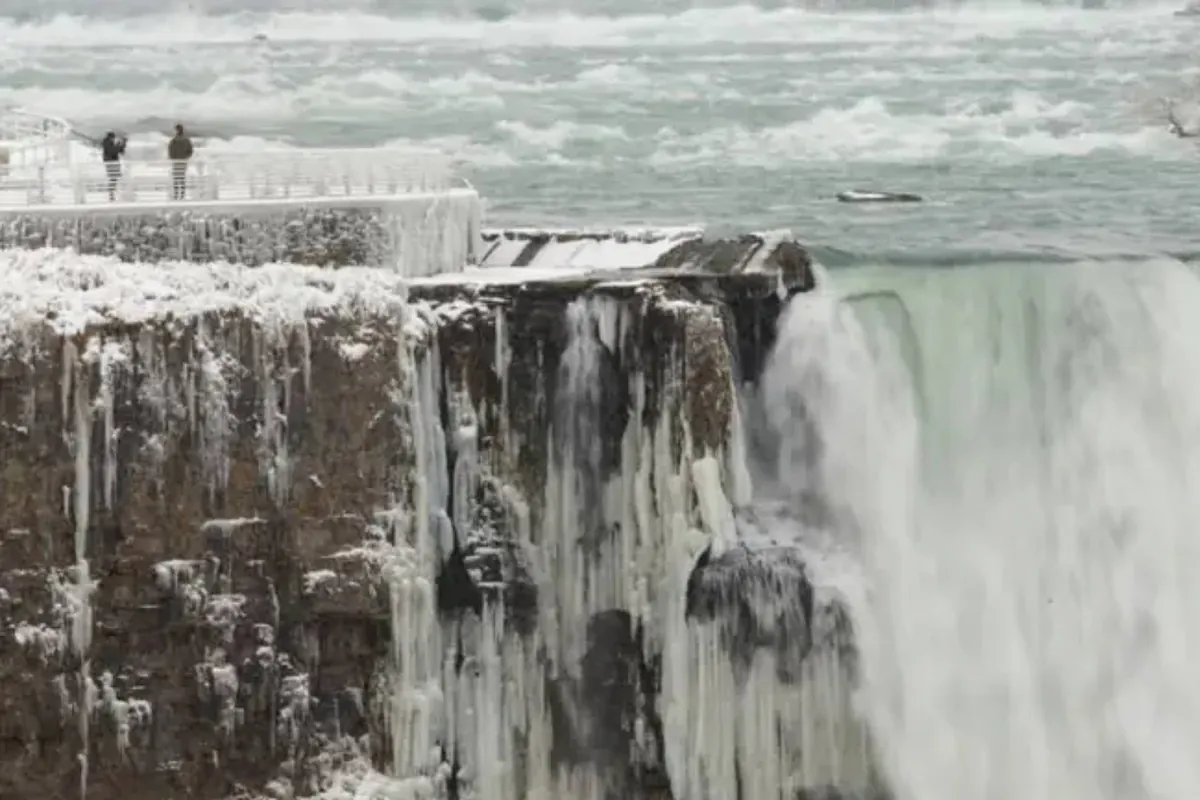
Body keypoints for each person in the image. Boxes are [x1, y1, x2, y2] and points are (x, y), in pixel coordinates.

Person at [167, 123, 194, 200]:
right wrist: (185, 157)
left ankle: (176, 195)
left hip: (176, 162)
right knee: (182, 178)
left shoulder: (174, 141)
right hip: (183, 162)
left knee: (176, 179)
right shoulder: (186, 140)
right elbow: (190, 151)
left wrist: (173, 158)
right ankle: (182, 195)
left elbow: (170, 151)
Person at [101, 131, 126, 201]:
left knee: (114, 178)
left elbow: (119, 151)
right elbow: (115, 151)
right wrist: (121, 144)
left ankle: (112, 193)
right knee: (113, 178)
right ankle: (111, 194)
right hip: (112, 163)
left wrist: (121, 143)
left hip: (112, 163)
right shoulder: (107, 143)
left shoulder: (108, 143)